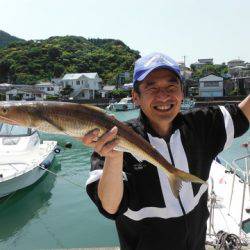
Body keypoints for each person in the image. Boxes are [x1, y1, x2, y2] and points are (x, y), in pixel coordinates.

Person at [84, 52, 250, 250]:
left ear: (182, 93)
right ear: (135, 97)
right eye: (151, 87)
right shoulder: (115, 139)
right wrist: (113, 156)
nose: (163, 96)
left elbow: (241, 115)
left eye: (171, 87)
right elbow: (110, 207)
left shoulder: (201, 125)